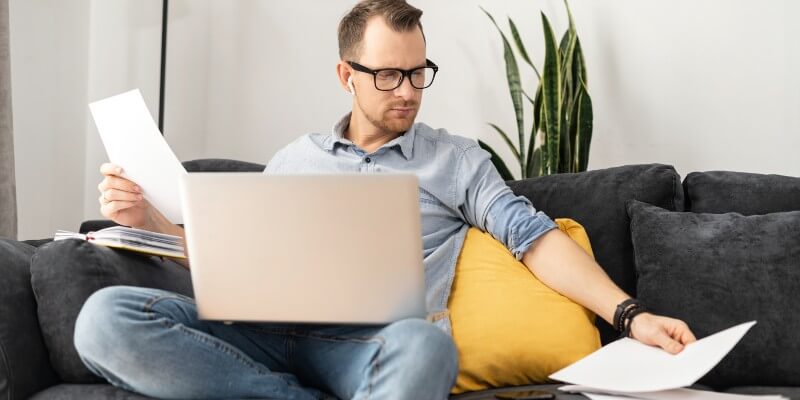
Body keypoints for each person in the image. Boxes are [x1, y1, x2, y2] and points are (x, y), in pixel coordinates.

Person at [75, 1, 697, 399]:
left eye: (418, 72)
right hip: (263, 335)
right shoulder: (296, 158)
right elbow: (225, 260)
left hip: (372, 349)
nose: (408, 91)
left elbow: (533, 239)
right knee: (104, 318)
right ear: (347, 76)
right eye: (389, 75)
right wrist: (145, 220)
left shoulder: (453, 160)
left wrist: (629, 316)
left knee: (430, 347)